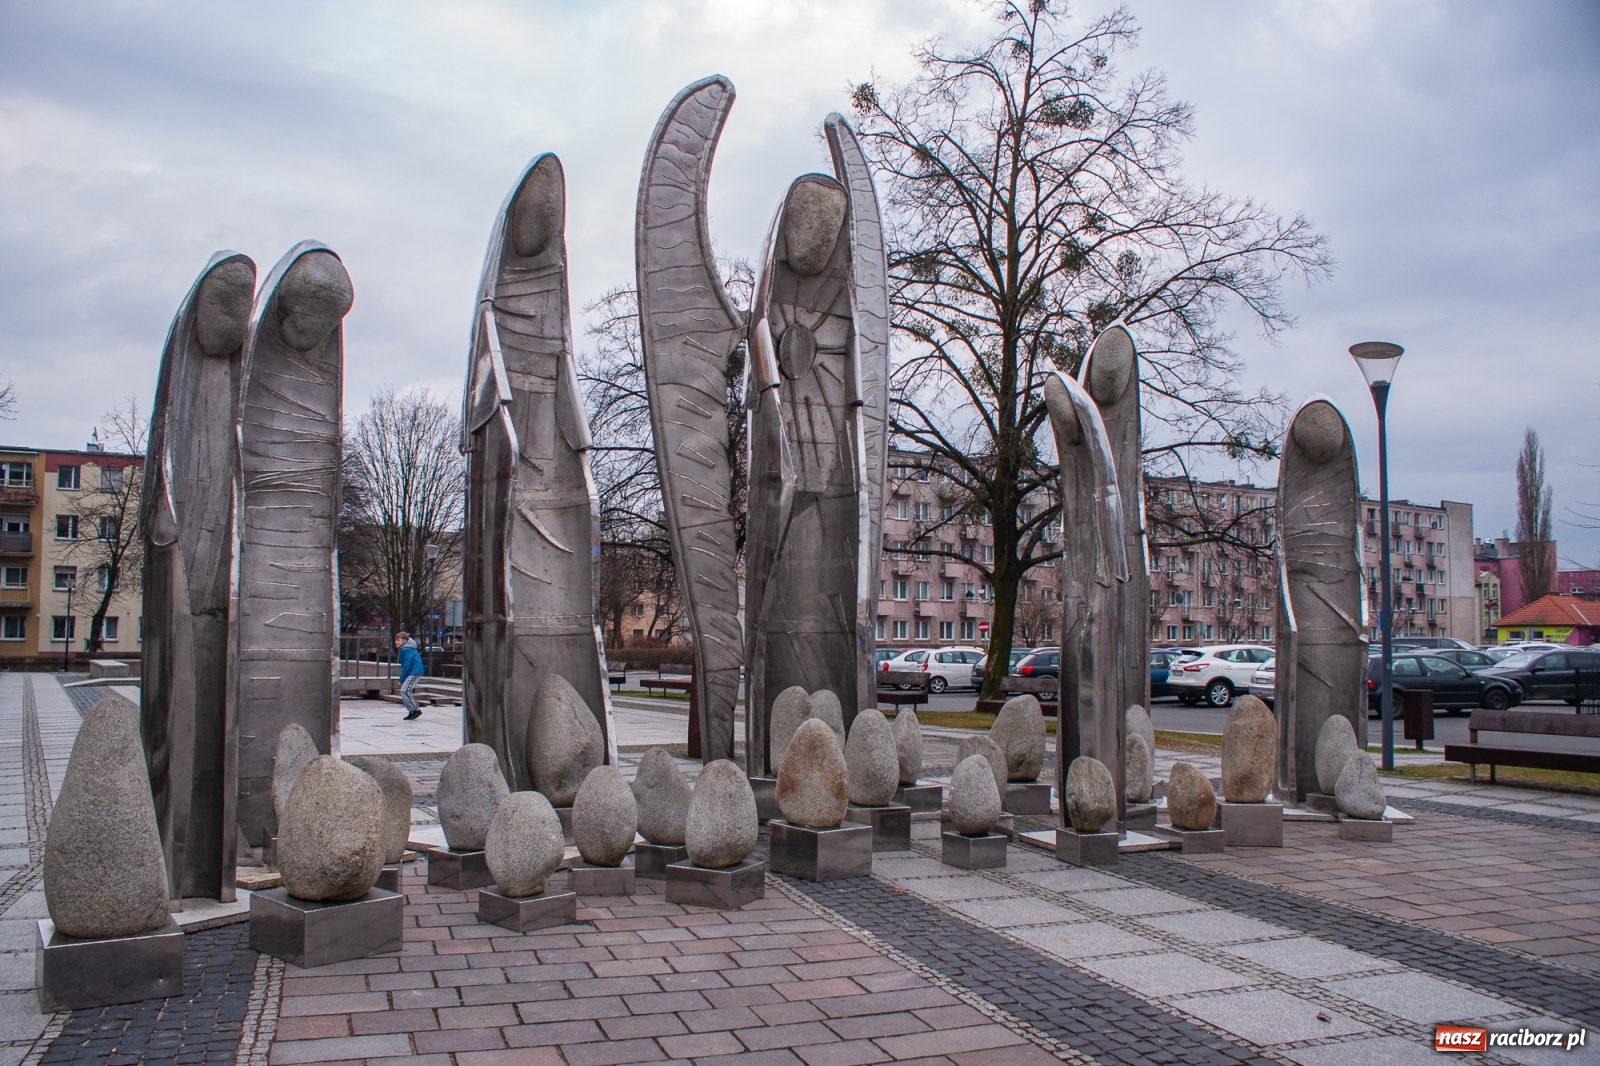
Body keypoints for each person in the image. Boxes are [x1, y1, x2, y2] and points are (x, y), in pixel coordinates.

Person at [395, 631, 424, 721]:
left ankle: (415, 709)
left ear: (404, 641)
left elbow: (407, 664)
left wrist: (402, 679)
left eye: (398, 640)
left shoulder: (406, 649)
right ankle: (412, 710)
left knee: (405, 690)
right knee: (405, 690)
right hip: (413, 671)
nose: (396, 642)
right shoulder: (406, 648)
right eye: (396, 640)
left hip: (415, 672)